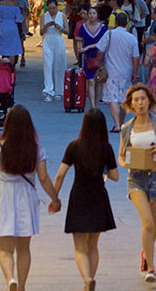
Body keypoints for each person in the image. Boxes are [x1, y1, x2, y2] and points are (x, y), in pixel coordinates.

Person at [0, 104, 62, 291]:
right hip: (26, 196)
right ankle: (22, 286)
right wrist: (55, 198)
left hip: (5, 195)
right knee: (24, 249)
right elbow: (43, 178)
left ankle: (10, 280)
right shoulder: (36, 149)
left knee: (5, 249)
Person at [52, 108, 119, 291]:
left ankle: (87, 278)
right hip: (98, 196)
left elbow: (60, 175)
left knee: (80, 247)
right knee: (93, 245)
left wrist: (54, 197)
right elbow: (115, 176)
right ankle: (90, 278)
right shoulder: (106, 148)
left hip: (79, 197)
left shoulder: (74, 146)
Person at [118, 84, 156, 283]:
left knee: (153, 226)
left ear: (149, 100)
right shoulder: (127, 128)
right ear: (131, 105)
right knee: (147, 222)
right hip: (136, 179)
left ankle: (144, 253)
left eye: (143, 99)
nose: (140, 103)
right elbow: (121, 156)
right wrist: (127, 163)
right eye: (136, 100)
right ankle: (151, 267)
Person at [99, 10, 141, 131]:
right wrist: (134, 72)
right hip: (126, 71)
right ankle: (121, 122)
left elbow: (100, 50)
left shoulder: (109, 34)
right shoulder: (132, 37)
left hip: (111, 70)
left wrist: (101, 63)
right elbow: (136, 57)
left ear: (116, 22)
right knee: (123, 98)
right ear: (127, 22)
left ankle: (117, 124)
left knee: (113, 98)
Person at [75, 6, 109, 108]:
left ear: (97, 15)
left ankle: (95, 104)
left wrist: (88, 47)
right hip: (88, 57)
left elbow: (103, 43)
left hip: (99, 56)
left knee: (96, 81)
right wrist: (80, 48)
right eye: (90, 13)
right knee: (90, 80)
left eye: (94, 13)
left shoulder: (102, 28)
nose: (92, 15)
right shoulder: (83, 27)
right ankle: (93, 106)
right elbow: (80, 40)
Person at [40, 0, 68, 101]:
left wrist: (59, 27)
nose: (52, 11)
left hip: (58, 40)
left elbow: (67, 31)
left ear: (57, 7)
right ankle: (48, 90)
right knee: (48, 65)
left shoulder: (62, 16)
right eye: (50, 8)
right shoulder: (44, 16)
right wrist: (46, 26)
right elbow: (41, 32)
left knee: (59, 66)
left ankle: (59, 91)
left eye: (54, 8)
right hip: (48, 40)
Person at [0, 0, 26, 64]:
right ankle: (11, 68)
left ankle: (0, 66)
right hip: (13, 27)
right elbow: (19, 20)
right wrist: (21, 32)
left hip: (2, 27)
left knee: (1, 47)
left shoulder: (0, 5)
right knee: (12, 50)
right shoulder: (15, 6)